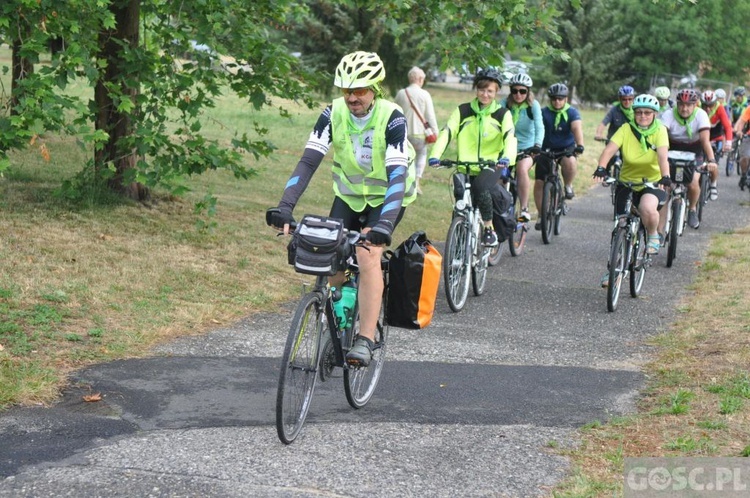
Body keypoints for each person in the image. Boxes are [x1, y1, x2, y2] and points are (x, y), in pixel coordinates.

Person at [267, 51, 417, 367]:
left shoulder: (392, 118)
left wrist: (385, 225)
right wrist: (284, 206)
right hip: (349, 195)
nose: (352, 97)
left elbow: (397, 175)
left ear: (375, 88)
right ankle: (340, 317)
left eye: (360, 89)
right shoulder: (332, 113)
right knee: (328, 249)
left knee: (366, 253)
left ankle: (365, 338)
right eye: (347, 89)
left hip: (388, 198)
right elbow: (309, 160)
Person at [428, 68, 517, 246]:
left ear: (496, 91)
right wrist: (435, 155)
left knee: (481, 187)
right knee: (460, 203)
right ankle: (459, 245)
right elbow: (447, 132)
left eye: (490, 91)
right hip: (465, 165)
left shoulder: (502, 114)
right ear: (476, 89)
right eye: (481, 90)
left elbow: (510, 138)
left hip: (491, 165)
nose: (485, 94)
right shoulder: (463, 111)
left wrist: (506, 157)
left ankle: (489, 229)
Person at [594, 94, 670, 290]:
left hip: (651, 182)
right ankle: (613, 270)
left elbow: (662, 156)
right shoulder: (626, 128)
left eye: (647, 113)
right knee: (619, 224)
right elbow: (610, 149)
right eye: (638, 112)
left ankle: (653, 234)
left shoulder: (660, 130)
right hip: (627, 182)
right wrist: (602, 167)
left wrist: (665, 175)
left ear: (654, 114)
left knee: (647, 207)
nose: (642, 116)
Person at [660, 88, 718, 229]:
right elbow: (661, 138)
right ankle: (660, 229)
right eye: (681, 104)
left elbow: (705, 141)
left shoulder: (701, 115)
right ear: (677, 104)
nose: (684, 108)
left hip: (695, 150)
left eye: (688, 105)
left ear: (695, 105)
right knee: (665, 186)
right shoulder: (668, 114)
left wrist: (711, 160)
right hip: (673, 148)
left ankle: (692, 209)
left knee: (692, 183)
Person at [537, 82, 584, 229]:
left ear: (565, 99)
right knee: (539, 182)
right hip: (546, 148)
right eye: (554, 98)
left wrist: (580, 145)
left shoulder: (572, 112)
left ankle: (568, 185)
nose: (557, 101)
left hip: (565, 147)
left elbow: (576, 128)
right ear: (550, 99)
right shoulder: (543, 112)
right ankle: (541, 215)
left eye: (561, 98)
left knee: (569, 161)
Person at [500, 73, 544, 222]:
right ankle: (499, 207)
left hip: (528, 148)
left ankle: (524, 209)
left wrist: (537, 144)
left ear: (528, 92)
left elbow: (540, 127)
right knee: (499, 175)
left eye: (522, 91)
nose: (518, 94)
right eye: (515, 91)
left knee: (521, 168)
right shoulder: (504, 104)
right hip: (507, 148)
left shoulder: (533, 106)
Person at [394, 66, 439, 195]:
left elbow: (395, 111)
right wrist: (435, 131)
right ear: (419, 79)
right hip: (419, 135)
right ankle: (416, 183)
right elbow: (430, 115)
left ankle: (401, 183)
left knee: (404, 158)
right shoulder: (425, 94)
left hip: (403, 133)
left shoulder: (401, 93)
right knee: (421, 156)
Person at [701, 90, 733, 174]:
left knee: (714, 162)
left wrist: (728, 142)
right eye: (705, 105)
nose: (708, 109)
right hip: (701, 137)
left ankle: (713, 185)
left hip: (716, 137)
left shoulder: (720, 108)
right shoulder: (697, 107)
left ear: (715, 103)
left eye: (711, 105)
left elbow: (727, 126)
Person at [732, 101, 750, 188]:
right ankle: (743, 175)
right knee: (745, 157)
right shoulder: (749, 109)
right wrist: (739, 131)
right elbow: (742, 121)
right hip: (748, 136)